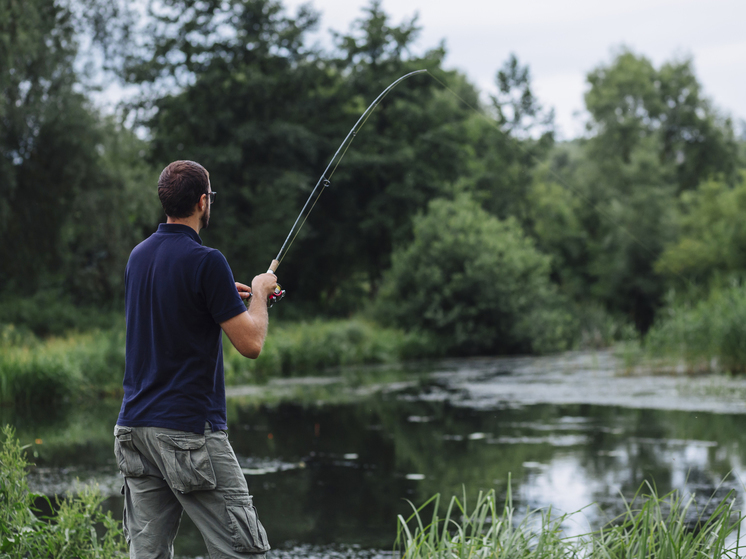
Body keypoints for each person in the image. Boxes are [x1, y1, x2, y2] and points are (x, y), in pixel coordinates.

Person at [113, 160, 277, 558]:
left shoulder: (138, 256)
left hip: (133, 430)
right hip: (187, 432)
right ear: (203, 202)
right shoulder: (207, 261)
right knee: (245, 551)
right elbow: (251, 343)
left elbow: (179, 307)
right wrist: (259, 291)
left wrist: (222, 296)